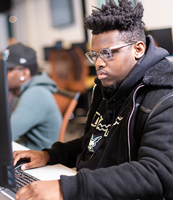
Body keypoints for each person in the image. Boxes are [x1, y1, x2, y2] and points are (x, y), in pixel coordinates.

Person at [13, 0, 173, 199]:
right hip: (93, 187)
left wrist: (67, 188)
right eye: (95, 54)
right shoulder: (107, 85)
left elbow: (156, 174)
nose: (98, 63)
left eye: (107, 53)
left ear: (138, 49)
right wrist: (50, 155)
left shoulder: (165, 97)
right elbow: (95, 141)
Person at [4, 42, 62, 150]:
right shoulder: (22, 91)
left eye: (8, 70)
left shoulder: (35, 94)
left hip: (38, 160)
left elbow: (5, 135)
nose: (2, 74)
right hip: (25, 151)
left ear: (25, 74)